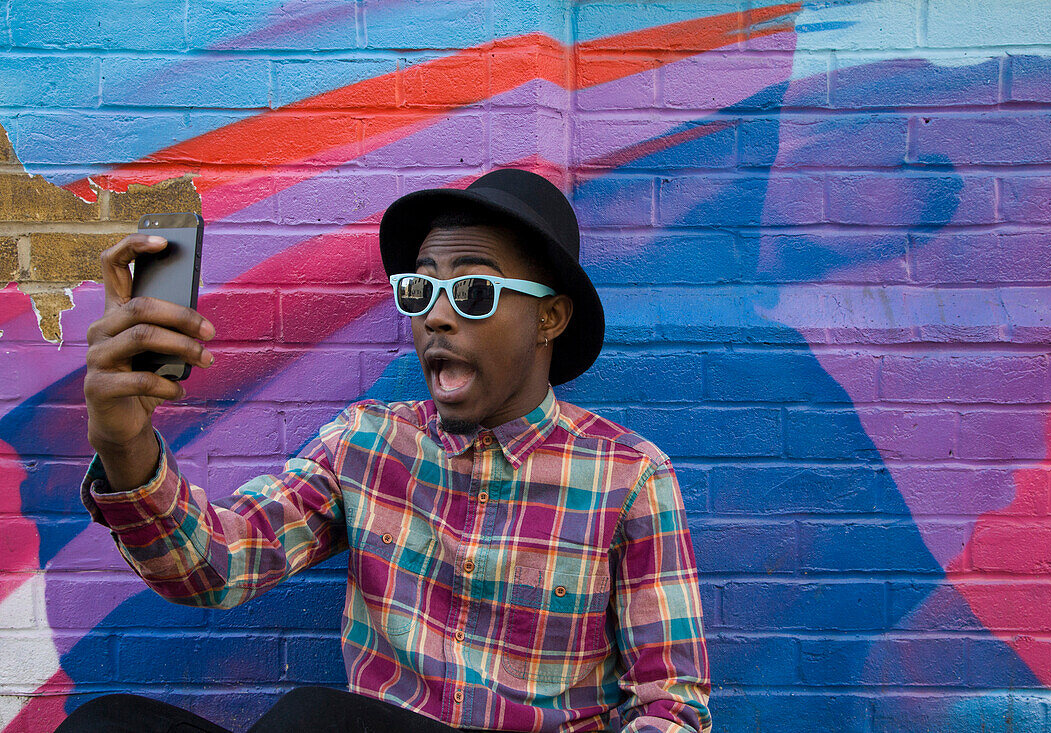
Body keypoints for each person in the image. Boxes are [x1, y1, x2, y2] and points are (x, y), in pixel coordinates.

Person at [64, 169, 711, 732]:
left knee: (314, 720)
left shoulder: (627, 476)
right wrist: (126, 444)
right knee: (105, 722)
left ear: (549, 318)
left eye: (473, 292)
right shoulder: (368, 443)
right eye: (420, 290)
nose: (435, 316)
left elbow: (672, 705)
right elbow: (219, 565)